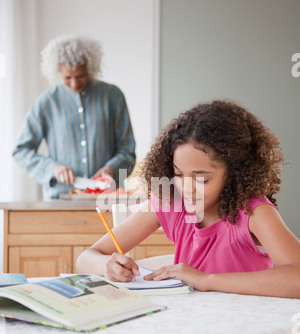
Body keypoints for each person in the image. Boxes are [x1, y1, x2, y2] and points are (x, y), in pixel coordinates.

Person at [77, 100, 300, 299]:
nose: (186, 188)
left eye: (201, 179)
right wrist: (106, 265)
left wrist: (206, 280)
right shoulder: (170, 203)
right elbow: (85, 258)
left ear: (234, 174)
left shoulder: (254, 213)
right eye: (179, 175)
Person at [12, 35, 136, 200]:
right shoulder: (46, 102)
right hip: (60, 200)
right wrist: (52, 169)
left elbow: (127, 150)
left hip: (108, 199)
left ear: (90, 68)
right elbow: (21, 151)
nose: (74, 83)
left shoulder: (113, 96)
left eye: (81, 76)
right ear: (57, 72)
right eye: (67, 78)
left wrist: (111, 169)